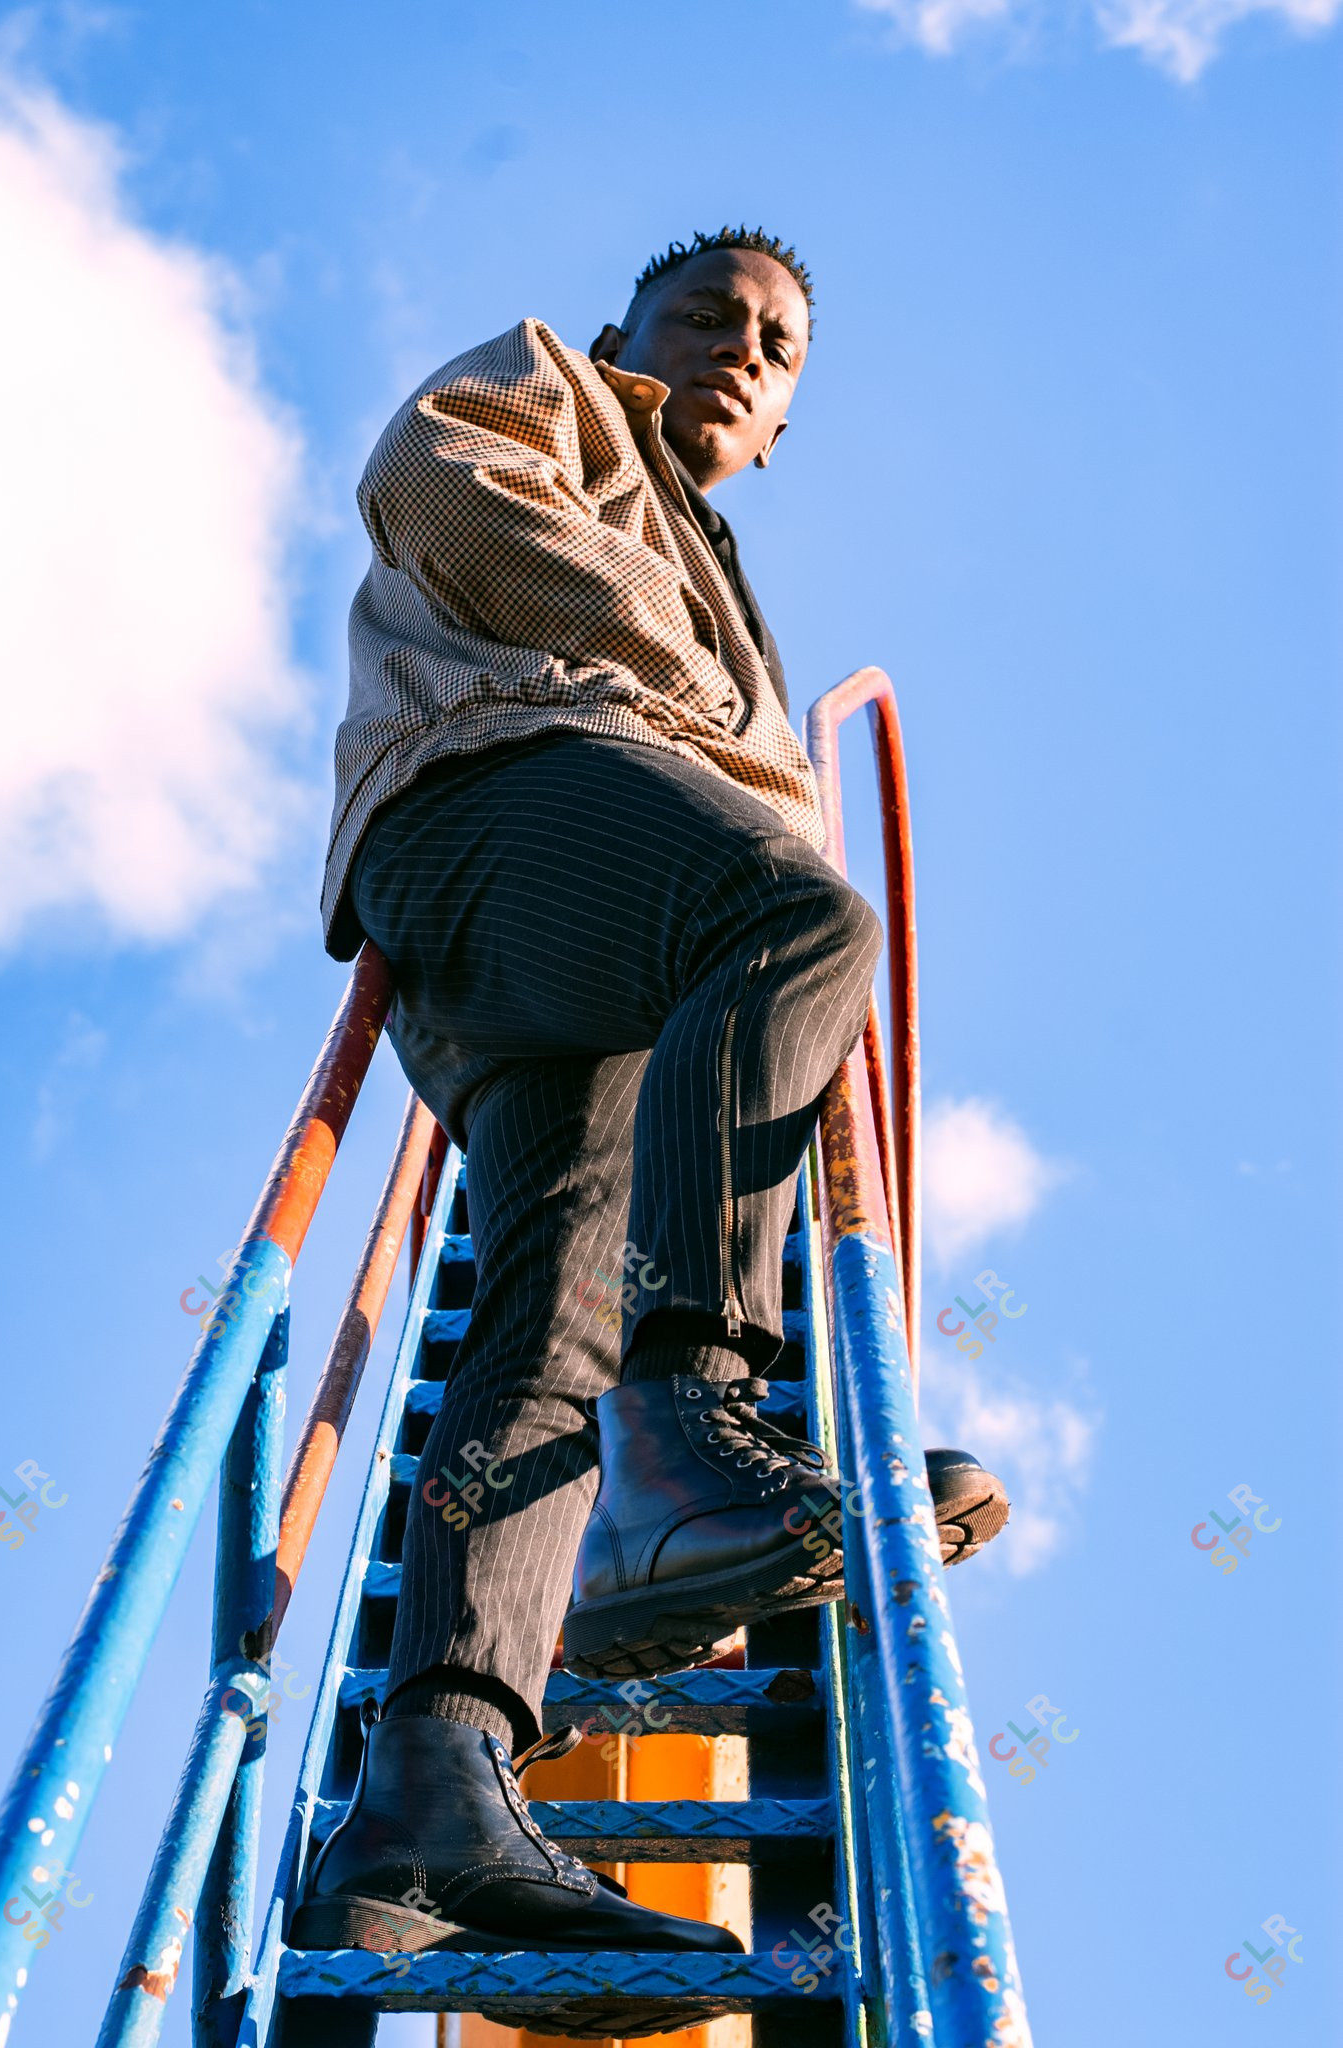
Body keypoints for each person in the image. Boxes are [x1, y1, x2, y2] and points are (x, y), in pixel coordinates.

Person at [291, 228, 1009, 1984]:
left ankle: (430, 1796)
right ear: (625, 331)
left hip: (580, 927)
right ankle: (692, 1426)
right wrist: (696, 715)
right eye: (706, 316)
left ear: (782, 427)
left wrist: (709, 732)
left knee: (551, 1321)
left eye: (775, 347)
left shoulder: (731, 568)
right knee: (793, 918)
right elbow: (436, 480)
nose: (739, 352)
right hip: (496, 807)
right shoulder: (546, 385)